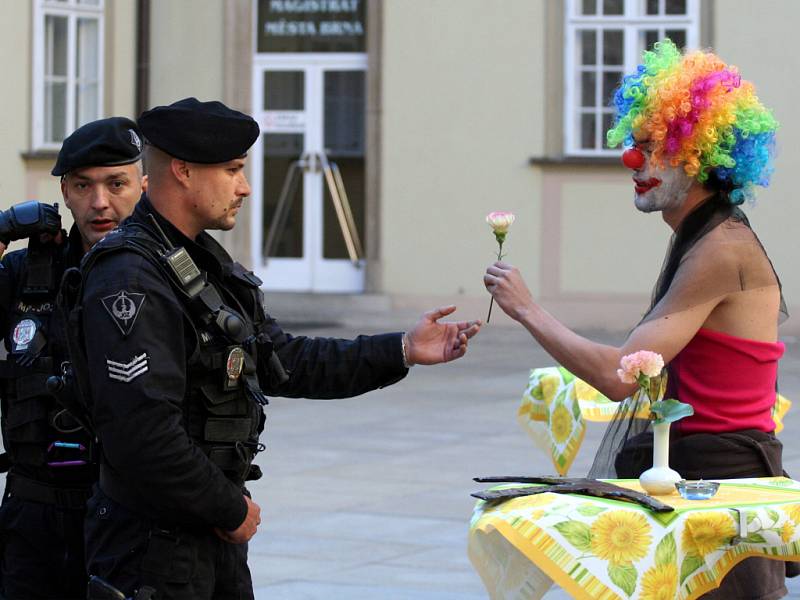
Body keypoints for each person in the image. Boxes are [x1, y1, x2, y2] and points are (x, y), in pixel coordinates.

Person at [68, 97, 481, 599]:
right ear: (183, 171)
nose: (244, 187)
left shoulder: (193, 264)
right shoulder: (130, 278)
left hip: (202, 532)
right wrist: (229, 508)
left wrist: (401, 349)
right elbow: (142, 436)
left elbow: (286, 361)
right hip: (152, 547)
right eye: (233, 170)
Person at [484, 40, 786, 598]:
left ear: (697, 153)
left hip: (719, 486)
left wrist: (527, 310)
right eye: (632, 144)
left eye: (651, 147)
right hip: (700, 475)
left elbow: (622, 375)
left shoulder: (721, 248)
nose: (632, 161)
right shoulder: (706, 237)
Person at [0, 117, 144, 599]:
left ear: (143, 184)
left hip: (125, 517)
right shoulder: (27, 272)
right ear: (64, 190)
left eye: (116, 183)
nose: (100, 203)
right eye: (84, 185)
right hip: (31, 516)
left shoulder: (164, 274)